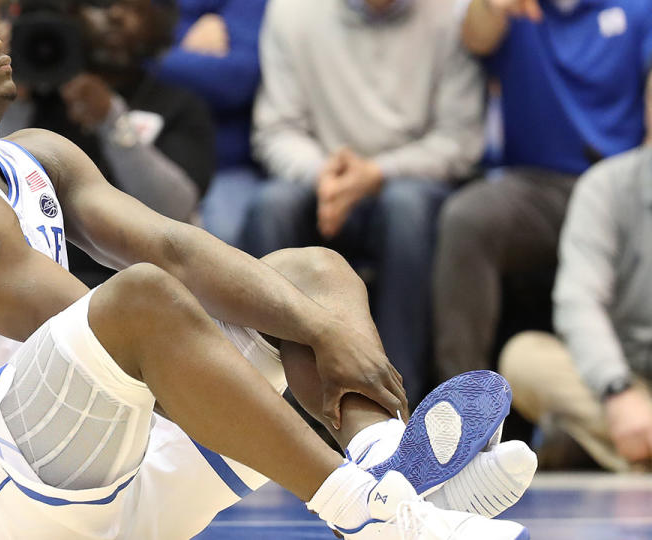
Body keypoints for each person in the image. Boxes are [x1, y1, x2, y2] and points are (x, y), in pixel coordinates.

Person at [0, 0, 536, 537]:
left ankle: (390, 468)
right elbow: (96, 325)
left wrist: (319, 327)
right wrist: (288, 369)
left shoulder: (38, 154)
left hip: (97, 480)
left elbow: (177, 247)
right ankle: (371, 512)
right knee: (140, 302)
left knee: (309, 276)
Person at [240, 0, 484, 404]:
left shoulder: (452, 14)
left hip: (407, 179)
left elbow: (459, 140)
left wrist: (376, 173)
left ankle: (400, 405)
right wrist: (327, 177)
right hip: (320, 179)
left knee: (406, 210)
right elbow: (277, 130)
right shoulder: (291, 11)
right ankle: (272, 405)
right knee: (271, 206)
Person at [434, 0, 652, 381]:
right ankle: (460, 404)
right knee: (467, 218)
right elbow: (475, 36)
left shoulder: (638, 9)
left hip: (620, 184)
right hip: (537, 188)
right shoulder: (512, 10)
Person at [0, 0, 214, 285]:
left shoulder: (179, 104)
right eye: (102, 4)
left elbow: (176, 209)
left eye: (134, 8)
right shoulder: (34, 95)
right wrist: (10, 100)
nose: (114, 16)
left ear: (160, 22)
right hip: (41, 275)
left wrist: (112, 120)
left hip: (142, 277)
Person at [499, 137, 652, 472]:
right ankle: (628, 445)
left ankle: (607, 451)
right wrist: (617, 390)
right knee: (523, 358)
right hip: (623, 378)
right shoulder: (606, 185)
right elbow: (578, 300)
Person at [152, 0, 268, 247]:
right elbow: (104, 54)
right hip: (147, 156)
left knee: (226, 240)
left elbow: (237, 80)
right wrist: (189, 56)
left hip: (225, 167)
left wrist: (152, 56)